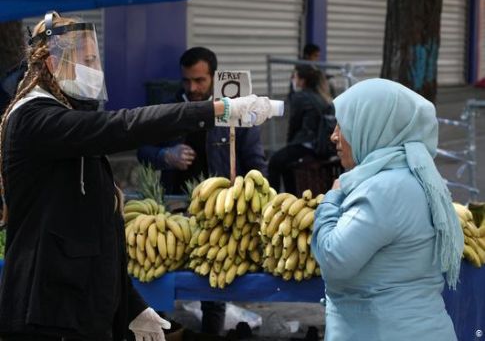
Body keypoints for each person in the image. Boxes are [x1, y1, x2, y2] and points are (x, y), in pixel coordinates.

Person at [0, 11, 273, 341]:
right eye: (86, 59)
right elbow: (122, 126)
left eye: (94, 58)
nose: (94, 68)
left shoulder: (65, 117)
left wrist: (130, 305)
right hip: (46, 311)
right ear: (52, 64)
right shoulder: (35, 118)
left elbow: (94, 233)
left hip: (78, 307)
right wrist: (215, 110)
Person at [311, 78, 464, 341]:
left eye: (343, 125)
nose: (334, 135)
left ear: (373, 126)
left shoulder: (383, 190)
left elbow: (333, 259)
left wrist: (331, 199)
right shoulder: (416, 175)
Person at [138, 46, 267, 335]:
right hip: (173, 208)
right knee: (163, 274)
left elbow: (256, 162)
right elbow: (143, 149)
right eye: (187, 81)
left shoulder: (234, 114)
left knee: (213, 281)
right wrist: (165, 155)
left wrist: (250, 197)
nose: (193, 88)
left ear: (214, 77)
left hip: (217, 211)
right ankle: (163, 332)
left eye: (200, 81)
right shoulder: (169, 110)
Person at [268, 65, 334, 193]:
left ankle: (273, 199)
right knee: (286, 164)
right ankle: (290, 196)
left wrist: (289, 144)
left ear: (302, 80)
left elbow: (294, 124)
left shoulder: (301, 97)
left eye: (295, 77)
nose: (293, 79)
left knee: (274, 162)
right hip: (320, 146)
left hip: (307, 145)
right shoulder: (320, 95)